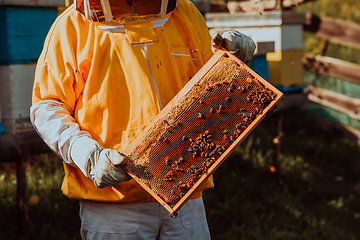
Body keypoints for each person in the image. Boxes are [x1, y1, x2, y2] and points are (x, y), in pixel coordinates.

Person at [30, 0, 256, 239]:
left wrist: (229, 59)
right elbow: (48, 105)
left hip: (186, 197)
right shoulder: (73, 26)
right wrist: (88, 155)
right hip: (115, 204)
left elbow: (207, 87)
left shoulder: (185, 14)